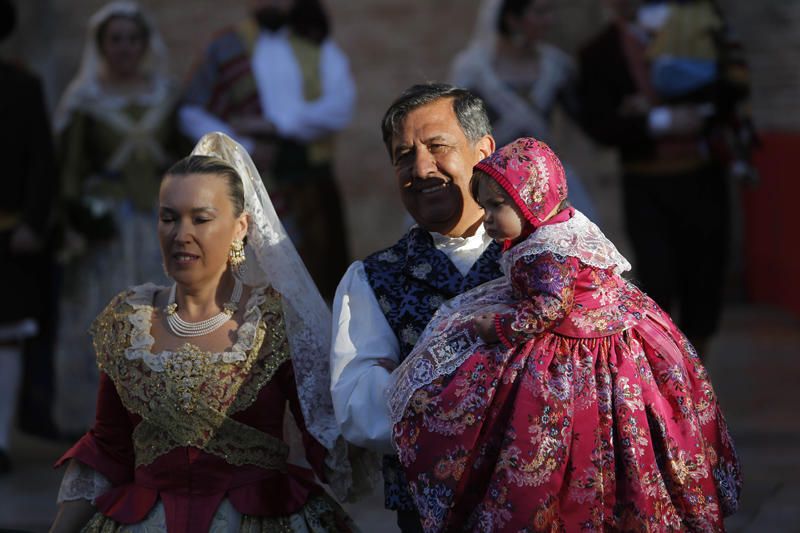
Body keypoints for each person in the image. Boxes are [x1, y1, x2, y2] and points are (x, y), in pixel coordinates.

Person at [388, 137, 742, 532]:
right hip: (620, 326)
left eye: (497, 207)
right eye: (486, 206)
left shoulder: (548, 251)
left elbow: (549, 308)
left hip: (590, 350)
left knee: (567, 433)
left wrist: (500, 328)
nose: (487, 218)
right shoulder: (559, 225)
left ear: (532, 201)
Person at [50, 132, 366, 533]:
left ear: (240, 228)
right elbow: (109, 448)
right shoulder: (128, 320)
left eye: (200, 218)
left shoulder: (274, 322)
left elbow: (329, 438)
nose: (181, 233)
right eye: (169, 217)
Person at [330, 83, 501, 533]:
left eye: (438, 147)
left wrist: (409, 380)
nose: (421, 168)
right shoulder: (371, 279)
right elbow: (360, 409)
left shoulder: (545, 260)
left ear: (483, 151)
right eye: (403, 156)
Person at [577, 0, 743, 356]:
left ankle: (699, 369)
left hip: (702, 178)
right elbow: (599, 123)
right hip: (646, 185)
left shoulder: (699, 26)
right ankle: (664, 372)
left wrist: (699, 110)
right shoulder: (598, 52)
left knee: (705, 279)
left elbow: (734, 87)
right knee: (658, 279)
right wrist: (657, 122)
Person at [52, 1, 187, 437]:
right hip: (108, 229)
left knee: (161, 315)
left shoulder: (164, 94)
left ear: (144, 44)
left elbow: (185, 157)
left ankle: (159, 411)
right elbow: (69, 170)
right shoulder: (85, 100)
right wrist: (79, 217)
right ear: (103, 45)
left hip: (158, 224)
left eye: (133, 39)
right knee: (107, 316)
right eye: (117, 40)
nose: (125, 48)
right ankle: (104, 419)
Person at [180, 0, 355, 301]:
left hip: (308, 185)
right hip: (245, 184)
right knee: (250, 286)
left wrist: (276, 125)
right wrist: (242, 147)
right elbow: (190, 112)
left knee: (320, 280)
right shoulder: (227, 47)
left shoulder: (316, 44)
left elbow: (340, 108)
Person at [450, 0, 598, 221]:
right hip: (492, 184)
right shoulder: (473, 70)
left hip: (545, 182)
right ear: (512, 19)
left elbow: (587, 118)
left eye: (549, 11)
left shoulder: (555, 66)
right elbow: (456, 129)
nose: (549, 20)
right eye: (540, 12)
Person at [0, 0, 59, 473]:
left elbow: (43, 161)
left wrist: (33, 224)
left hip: (7, 235)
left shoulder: (22, 86)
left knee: (6, 338)